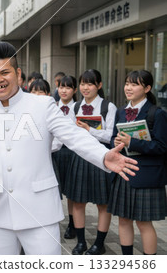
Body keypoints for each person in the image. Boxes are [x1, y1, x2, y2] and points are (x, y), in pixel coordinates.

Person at [0, 42, 138, 255]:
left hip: (40, 212)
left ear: (18, 73)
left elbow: (74, 135)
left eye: (5, 72)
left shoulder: (43, 105)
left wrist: (103, 156)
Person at [108, 70, 167, 255]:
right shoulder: (121, 111)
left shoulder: (156, 113)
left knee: (144, 223)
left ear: (147, 88)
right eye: (127, 83)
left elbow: (162, 147)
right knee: (123, 220)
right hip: (123, 171)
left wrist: (132, 143)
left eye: (134, 84)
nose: (128, 88)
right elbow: (112, 139)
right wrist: (116, 143)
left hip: (146, 176)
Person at [65, 69, 117, 255]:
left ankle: (99, 243)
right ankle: (80, 242)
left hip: (101, 157)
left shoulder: (108, 107)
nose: (85, 88)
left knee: (103, 204)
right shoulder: (75, 106)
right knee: (78, 202)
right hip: (79, 157)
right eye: (83, 84)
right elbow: (69, 132)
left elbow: (111, 135)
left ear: (99, 86)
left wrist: (89, 130)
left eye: (90, 84)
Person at [52, 75, 78, 240]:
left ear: (74, 90)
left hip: (72, 153)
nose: (63, 90)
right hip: (54, 153)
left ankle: (72, 223)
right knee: (54, 189)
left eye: (68, 87)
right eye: (61, 87)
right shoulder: (52, 106)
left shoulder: (79, 107)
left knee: (71, 191)